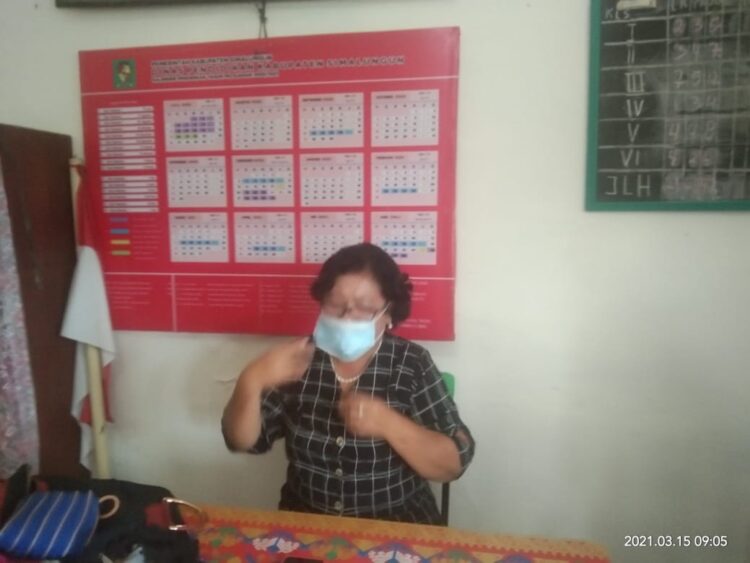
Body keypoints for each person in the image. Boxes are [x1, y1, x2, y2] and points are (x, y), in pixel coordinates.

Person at [222, 243, 474, 524]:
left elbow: (454, 462)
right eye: (335, 304)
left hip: (397, 524)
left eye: (364, 308)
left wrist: (388, 423)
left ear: (389, 314)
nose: (346, 317)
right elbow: (243, 441)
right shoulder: (297, 358)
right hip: (306, 523)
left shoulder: (411, 362)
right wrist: (252, 379)